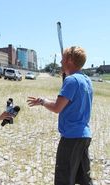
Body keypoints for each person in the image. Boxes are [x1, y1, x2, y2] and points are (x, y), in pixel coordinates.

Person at [27, 46, 93, 185]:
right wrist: (42, 101)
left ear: (69, 60)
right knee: (84, 179)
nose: (60, 62)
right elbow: (67, 103)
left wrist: (43, 101)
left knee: (64, 179)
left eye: (63, 58)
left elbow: (57, 108)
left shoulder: (71, 81)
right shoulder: (87, 80)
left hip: (71, 137)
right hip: (84, 136)